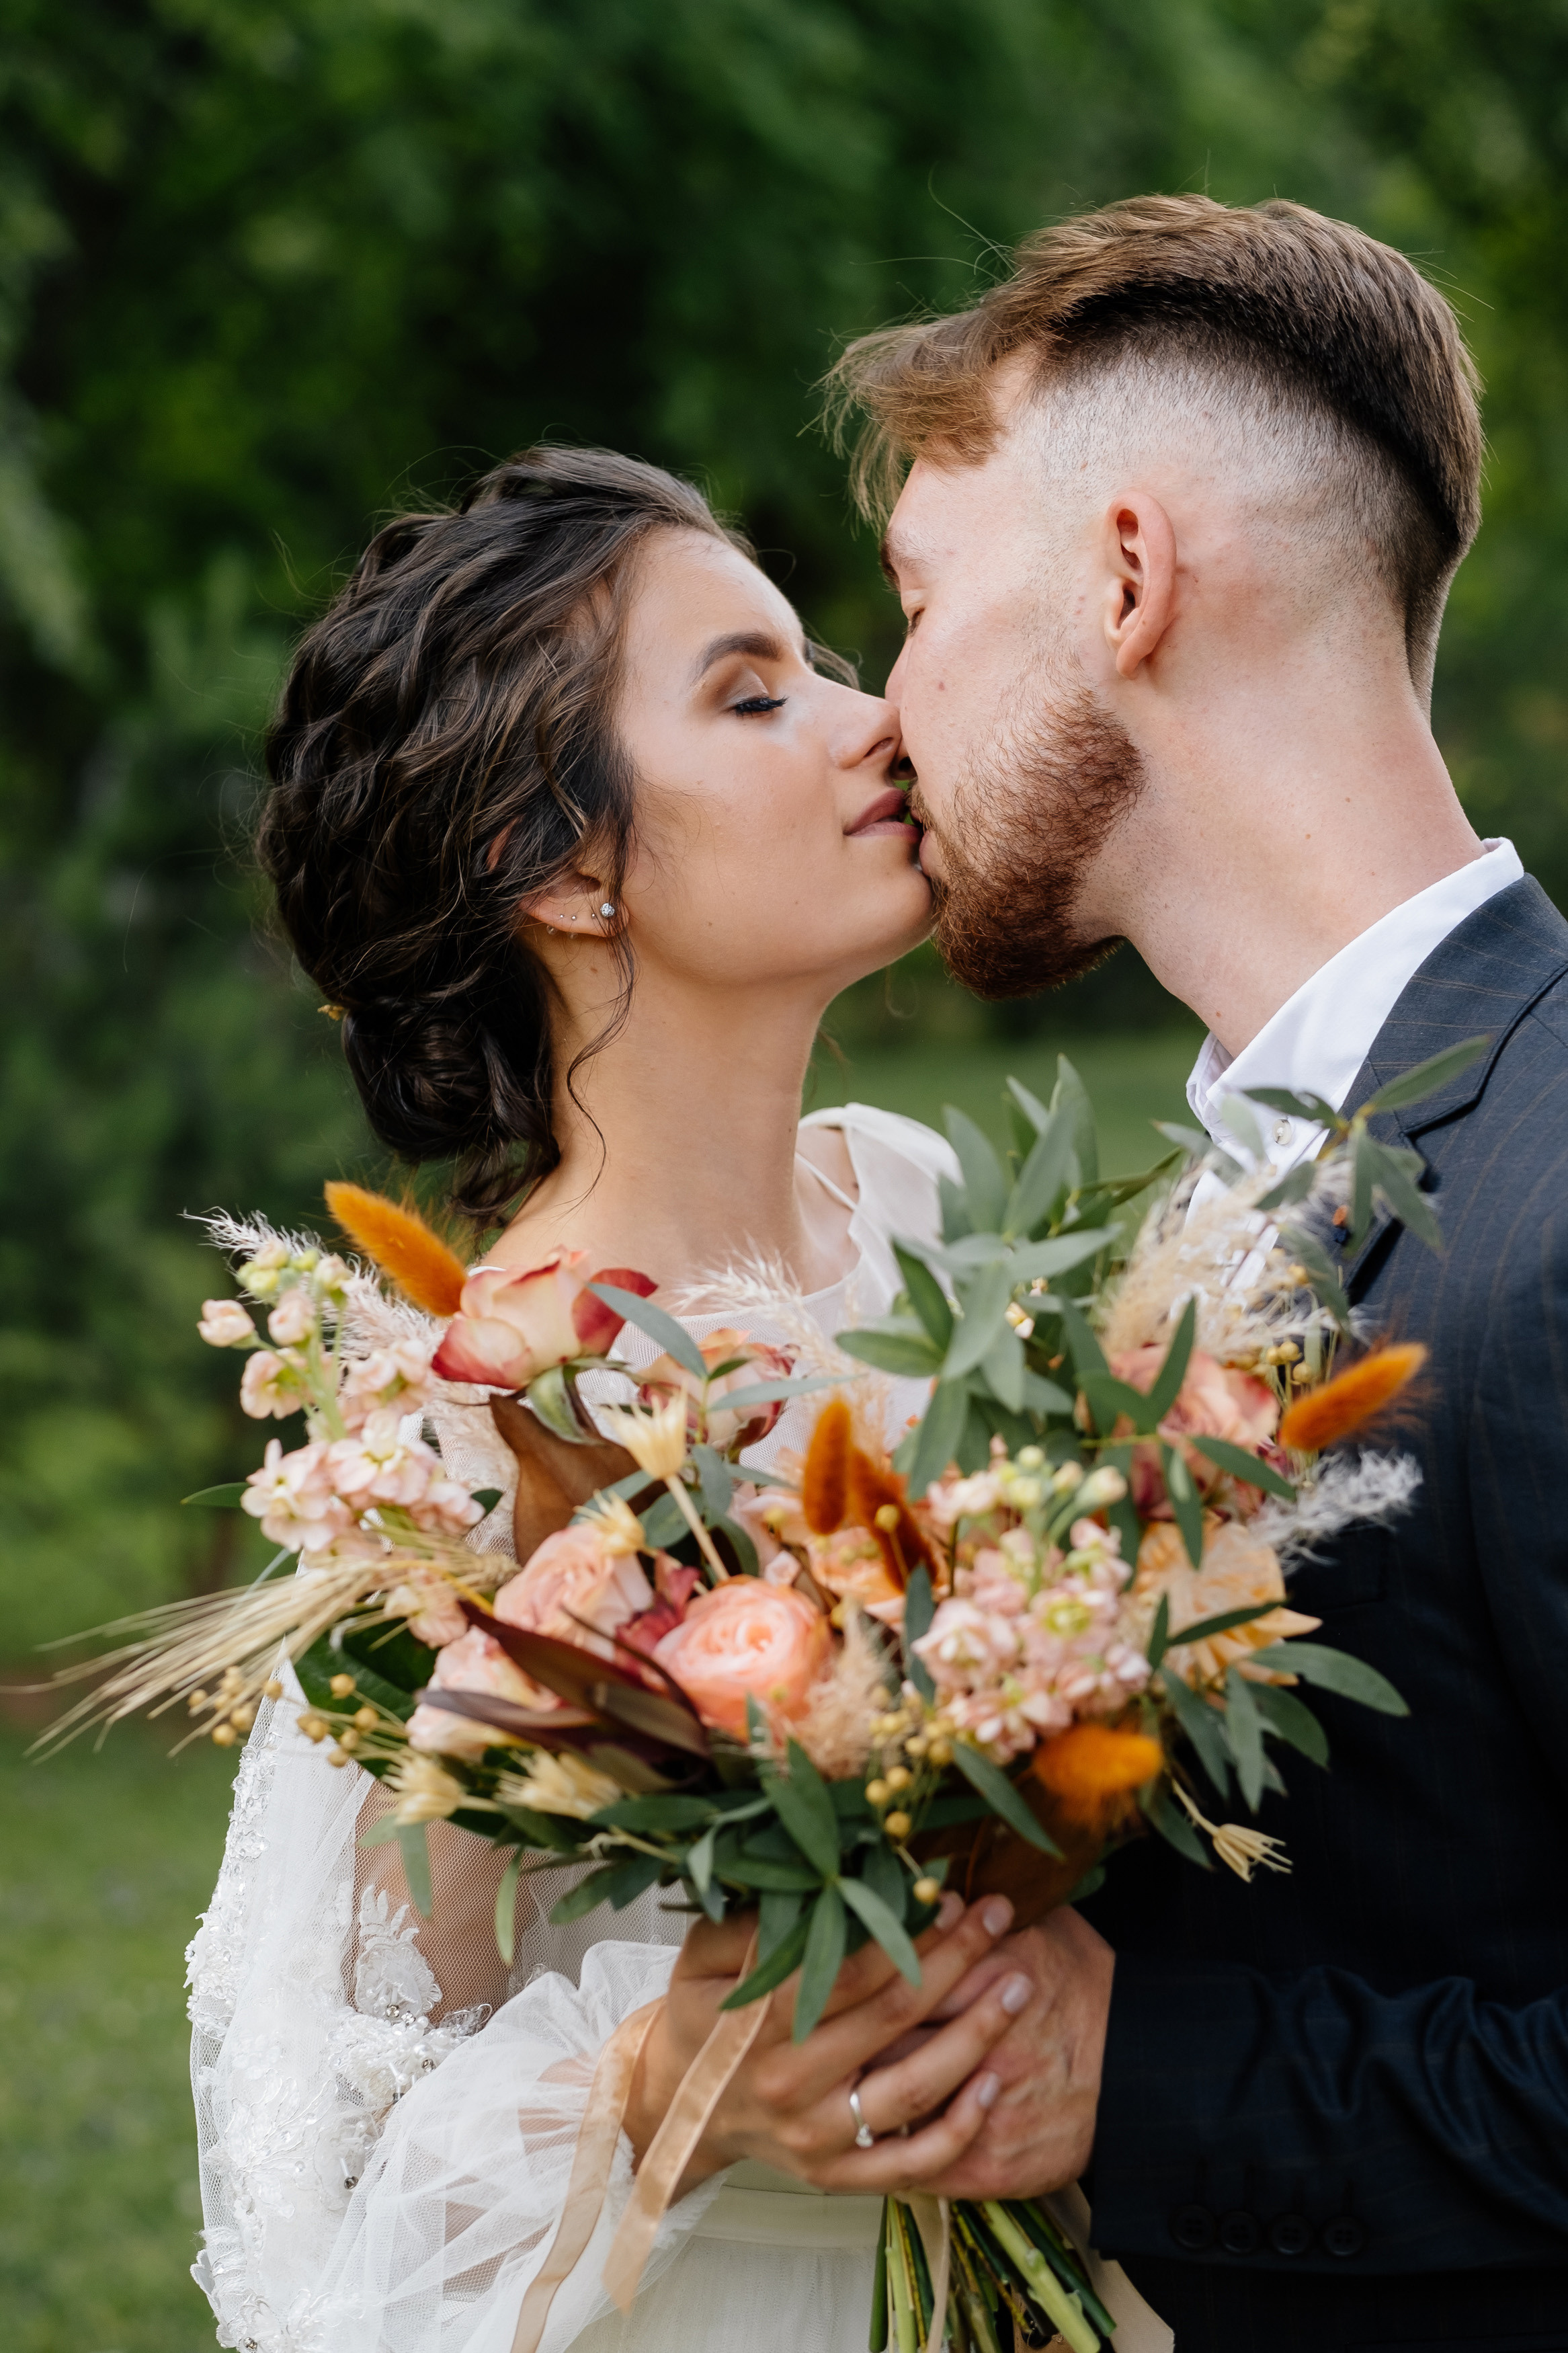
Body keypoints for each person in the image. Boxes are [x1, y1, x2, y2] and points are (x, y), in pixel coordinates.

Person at [794, 194, 1568, 2348]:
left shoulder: (1558, 1189)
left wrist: (1142, 2080)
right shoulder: (1187, 1225)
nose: (886, 711)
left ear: (1127, 577)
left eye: (919, 603)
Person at [190, 447, 1036, 2353]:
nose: (871, 719)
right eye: (752, 695)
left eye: (824, 665)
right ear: (563, 866)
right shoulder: (469, 1432)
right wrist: (671, 2087)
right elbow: (322, 2166)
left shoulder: (918, 1202)